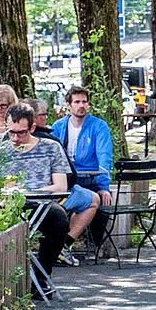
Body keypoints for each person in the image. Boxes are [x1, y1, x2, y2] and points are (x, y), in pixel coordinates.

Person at [0, 104, 94, 295]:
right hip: (7, 206)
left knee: (59, 220)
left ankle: (41, 275)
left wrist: (28, 190)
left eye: (21, 133)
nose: (15, 138)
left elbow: (61, 185)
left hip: (41, 204)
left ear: (32, 128)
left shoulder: (50, 147)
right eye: (11, 132)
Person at [49, 85, 115, 249]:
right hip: (67, 180)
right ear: (68, 105)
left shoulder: (99, 126)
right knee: (56, 207)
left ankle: (78, 244)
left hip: (91, 179)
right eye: (77, 102)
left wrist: (103, 186)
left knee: (102, 201)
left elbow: (104, 156)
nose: (81, 106)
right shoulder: (58, 127)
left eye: (84, 102)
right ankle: (59, 244)